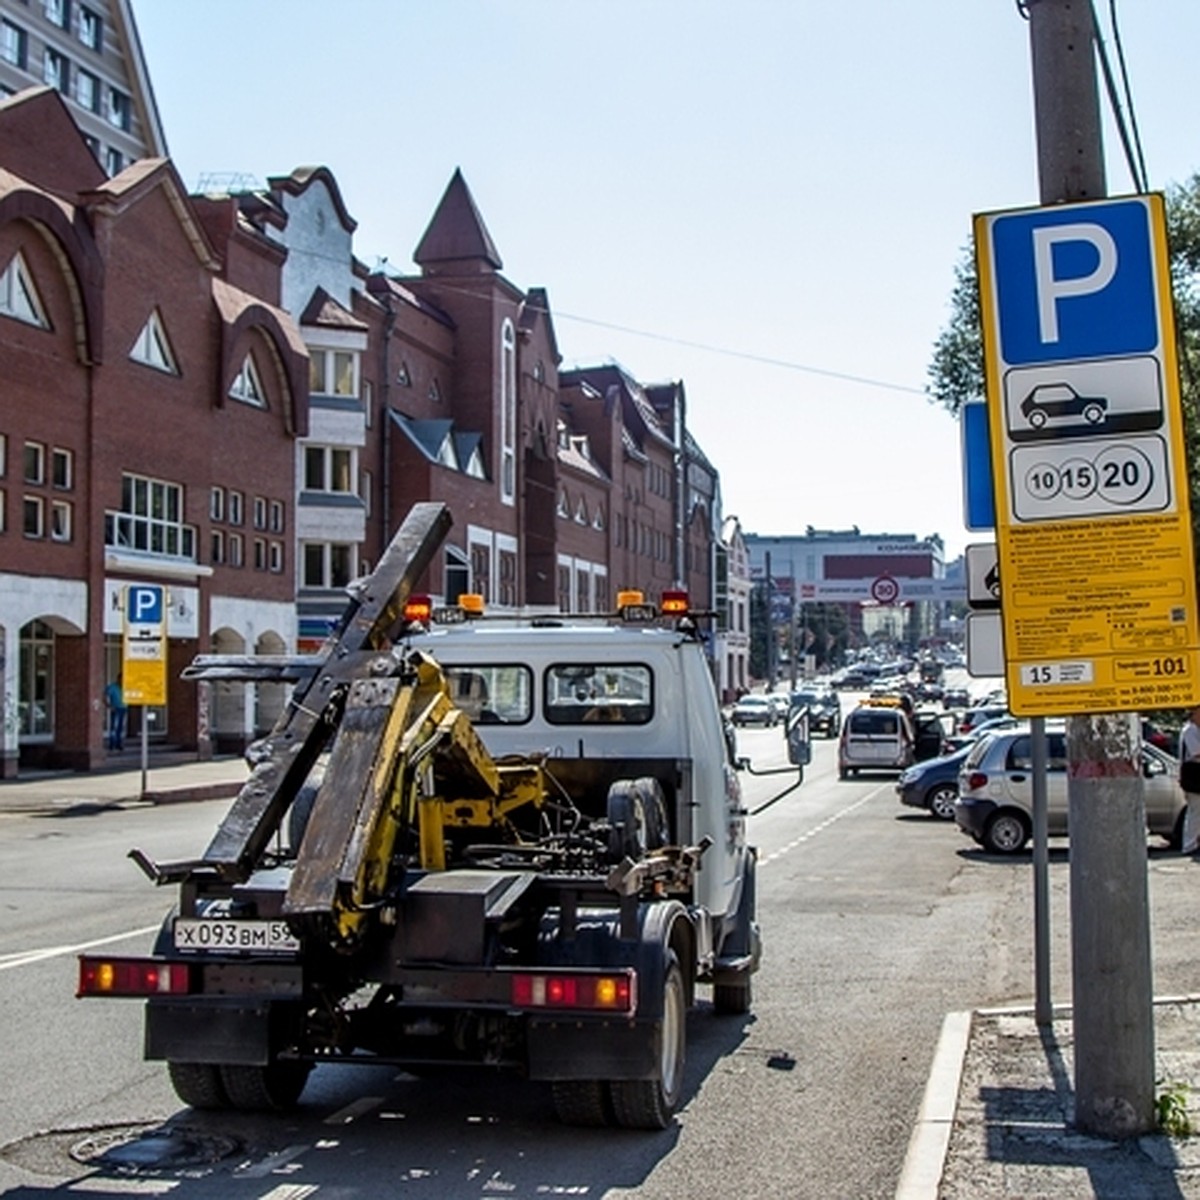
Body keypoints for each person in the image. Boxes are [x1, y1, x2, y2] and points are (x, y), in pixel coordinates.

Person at [1178, 705, 1200, 855]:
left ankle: (1195, 842)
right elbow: (1197, 753)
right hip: (1194, 774)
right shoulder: (1190, 731)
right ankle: (1190, 845)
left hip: (1194, 773)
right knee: (1195, 810)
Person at [105, 677, 127, 752]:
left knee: (121, 727)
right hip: (116, 708)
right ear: (118, 679)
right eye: (121, 680)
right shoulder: (113, 687)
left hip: (124, 708)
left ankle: (119, 743)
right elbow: (105, 695)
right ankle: (112, 744)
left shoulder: (125, 687)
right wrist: (109, 705)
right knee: (114, 727)